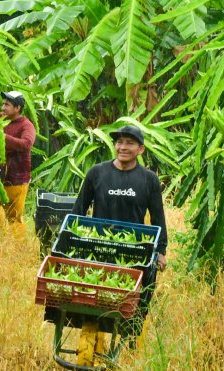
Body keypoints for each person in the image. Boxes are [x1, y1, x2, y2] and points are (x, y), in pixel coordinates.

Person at [71, 123, 167, 341]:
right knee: (95, 300)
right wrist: (71, 238)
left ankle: (131, 342)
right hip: (98, 247)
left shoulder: (149, 179)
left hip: (133, 250)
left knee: (133, 301)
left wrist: (161, 250)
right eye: (119, 142)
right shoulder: (97, 173)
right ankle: (93, 344)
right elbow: (79, 209)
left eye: (130, 143)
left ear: (140, 149)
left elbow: (158, 217)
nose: (123, 147)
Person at [0, 90, 35, 229]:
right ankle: (0, 236)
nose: (3, 108)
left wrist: (4, 138)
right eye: (2, 104)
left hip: (17, 179)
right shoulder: (1, 120)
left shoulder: (26, 126)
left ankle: (18, 248)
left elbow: (27, 144)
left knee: (14, 217)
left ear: (17, 108)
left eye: (7, 105)